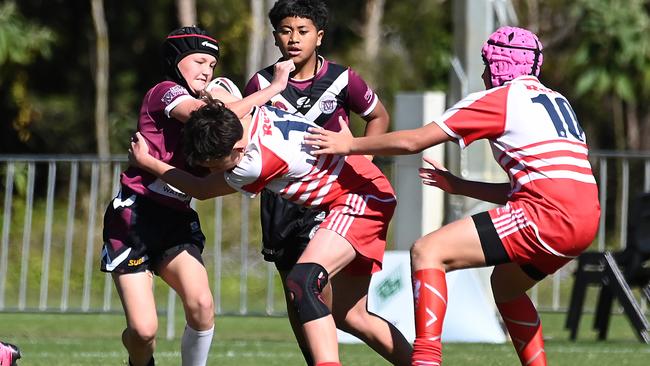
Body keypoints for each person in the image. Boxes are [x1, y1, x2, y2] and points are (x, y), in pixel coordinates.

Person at [304, 26, 600, 366]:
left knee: (428, 250)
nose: (485, 73)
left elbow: (414, 141)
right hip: (585, 218)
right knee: (506, 287)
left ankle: (426, 361)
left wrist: (350, 144)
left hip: (546, 216)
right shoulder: (557, 100)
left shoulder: (499, 100)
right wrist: (461, 186)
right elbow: (537, 186)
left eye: (487, 64)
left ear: (501, 65)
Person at [128, 98, 412, 366]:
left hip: (361, 198)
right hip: (368, 188)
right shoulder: (246, 116)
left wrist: (148, 162)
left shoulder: (253, 163)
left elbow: (201, 189)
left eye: (215, 165)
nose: (211, 170)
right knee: (352, 316)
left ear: (237, 151)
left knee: (303, 281)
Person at [99, 26, 294, 366]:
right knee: (143, 333)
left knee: (202, 306)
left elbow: (203, 189)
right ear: (176, 60)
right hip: (135, 218)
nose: (207, 69)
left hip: (175, 219)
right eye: (200, 60)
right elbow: (208, 116)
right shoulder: (164, 92)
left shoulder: (217, 133)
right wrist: (275, 88)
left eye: (213, 65)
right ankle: (137, 353)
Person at [243, 1, 396, 363]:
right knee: (297, 298)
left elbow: (378, 116)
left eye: (303, 31)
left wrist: (361, 160)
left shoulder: (342, 79)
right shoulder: (261, 84)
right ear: (276, 36)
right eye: (285, 30)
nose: (293, 39)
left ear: (319, 36)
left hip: (331, 198)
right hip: (281, 202)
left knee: (310, 285)